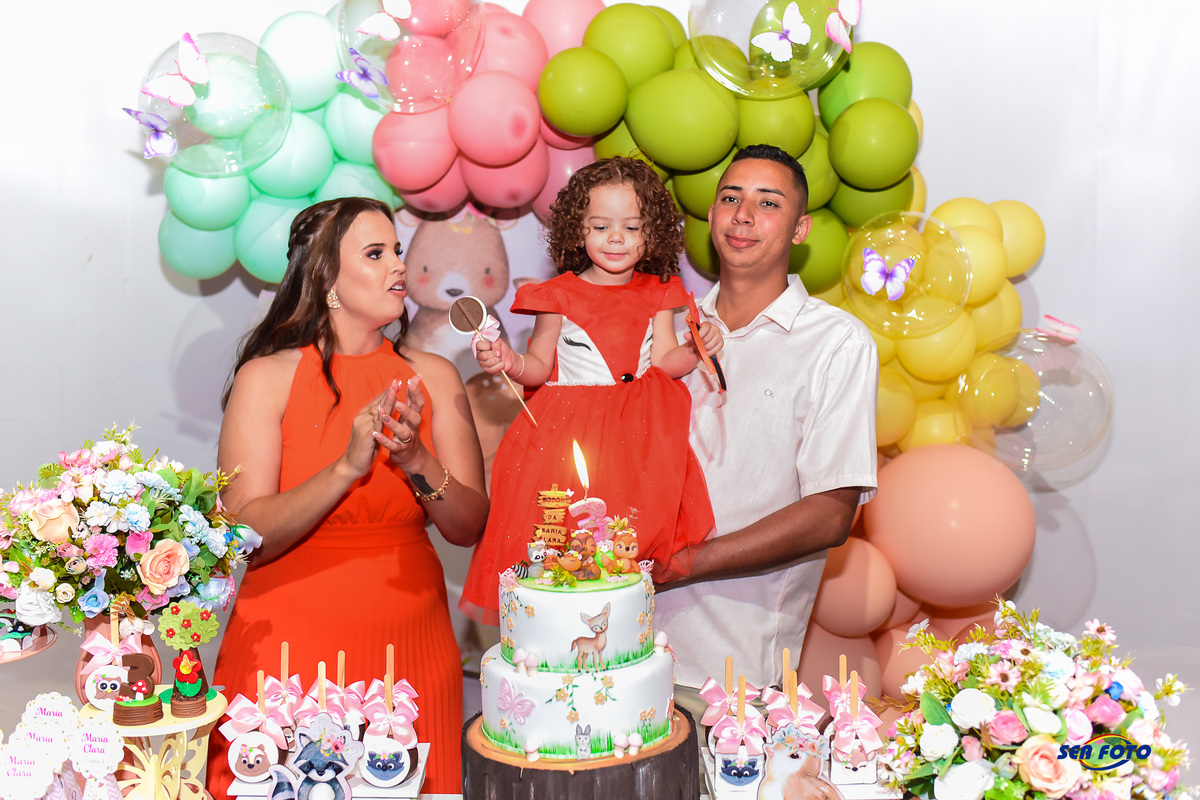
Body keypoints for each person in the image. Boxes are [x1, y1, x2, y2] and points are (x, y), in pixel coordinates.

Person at [206, 197, 489, 795]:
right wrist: (344, 468)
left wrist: (415, 459)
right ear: (326, 278)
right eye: (376, 253)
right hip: (287, 639)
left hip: (409, 643)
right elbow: (243, 534)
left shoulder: (435, 376)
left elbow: (468, 526)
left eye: (398, 251)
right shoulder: (267, 378)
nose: (398, 266)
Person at [653, 144, 879, 714]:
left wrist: (682, 564)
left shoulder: (835, 342)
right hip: (620, 652)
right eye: (731, 198)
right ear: (711, 216)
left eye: (768, 203)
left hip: (730, 678)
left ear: (800, 229)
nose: (744, 215)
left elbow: (831, 513)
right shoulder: (664, 333)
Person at [459, 157, 721, 625]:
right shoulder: (556, 296)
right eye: (601, 226)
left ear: (652, 233)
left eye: (631, 227)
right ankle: (558, 630)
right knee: (561, 541)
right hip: (567, 436)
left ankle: (615, 628)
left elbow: (664, 363)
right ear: (577, 230)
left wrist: (696, 348)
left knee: (620, 545)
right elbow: (538, 367)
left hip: (637, 439)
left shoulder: (660, 292)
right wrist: (508, 361)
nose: (616, 238)